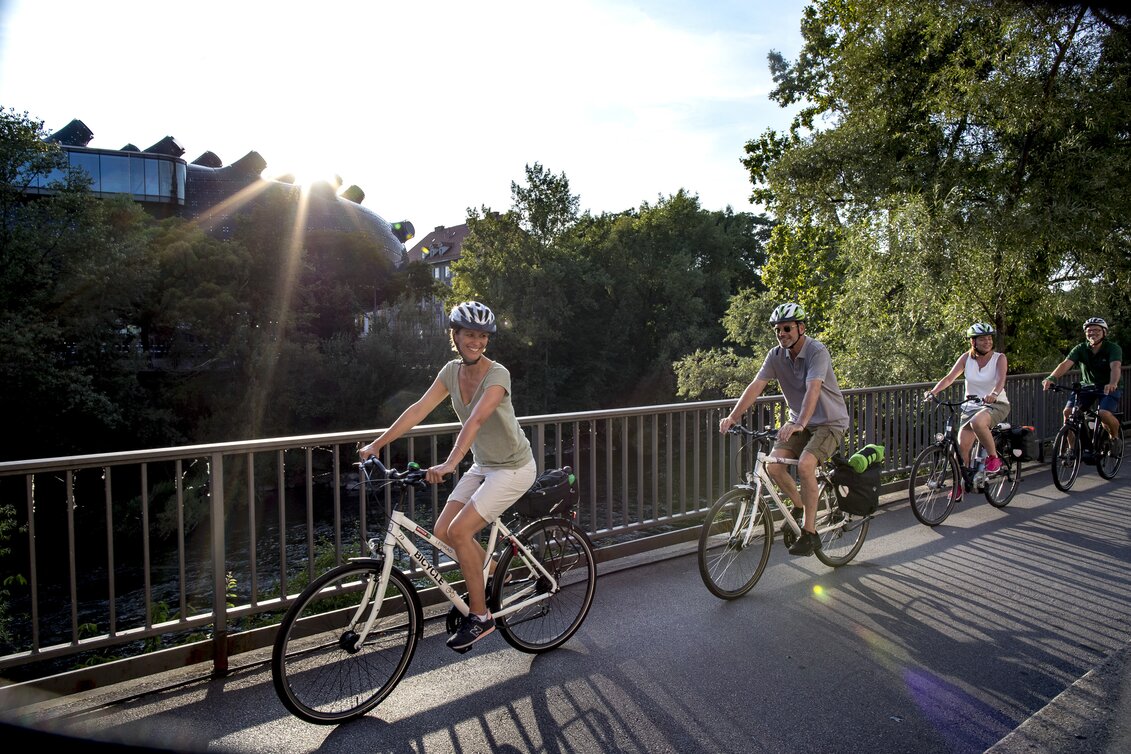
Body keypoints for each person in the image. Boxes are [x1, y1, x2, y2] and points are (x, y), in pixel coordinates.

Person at [359, 301, 537, 653]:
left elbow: (476, 420)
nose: (476, 341)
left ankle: (482, 615)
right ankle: (486, 577)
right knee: (442, 531)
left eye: (482, 336)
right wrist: (377, 445)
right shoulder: (450, 372)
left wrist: (449, 463)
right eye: (469, 334)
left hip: (514, 467)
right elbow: (418, 409)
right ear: (454, 335)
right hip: (484, 464)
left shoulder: (497, 373)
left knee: (459, 531)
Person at [718, 302, 850, 557]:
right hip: (800, 422)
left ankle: (810, 534)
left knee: (805, 465)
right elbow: (756, 385)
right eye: (777, 330)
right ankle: (800, 507)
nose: (781, 334)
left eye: (786, 328)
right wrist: (733, 416)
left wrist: (799, 423)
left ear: (801, 328)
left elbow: (813, 390)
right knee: (774, 467)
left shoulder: (816, 351)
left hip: (828, 423)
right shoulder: (775, 355)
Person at [923, 323, 1011, 499]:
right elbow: (949, 378)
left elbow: (1001, 379)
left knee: (978, 422)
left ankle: (994, 458)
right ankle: (960, 486)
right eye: (982, 339)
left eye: (989, 338)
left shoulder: (999, 358)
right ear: (973, 342)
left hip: (996, 404)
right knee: (960, 449)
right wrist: (933, 392)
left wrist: (993, 394)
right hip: (971, 407)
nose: (987, 341)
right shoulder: (966, 358)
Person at [1042, 317, 1124, 447]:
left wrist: (1113, 382)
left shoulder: (1113, 348)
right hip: (1087, 386)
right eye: (1089, 331)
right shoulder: (1080, 348)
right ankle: (1072, 450)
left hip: (1108, 387)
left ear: (1104, 332)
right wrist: (1051, 378)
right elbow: (1065, 364)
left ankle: (1115, 438)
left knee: (1103, 414)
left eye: (1096, 330)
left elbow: (1115, 367)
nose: (1092, 333)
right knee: (1068, 413)